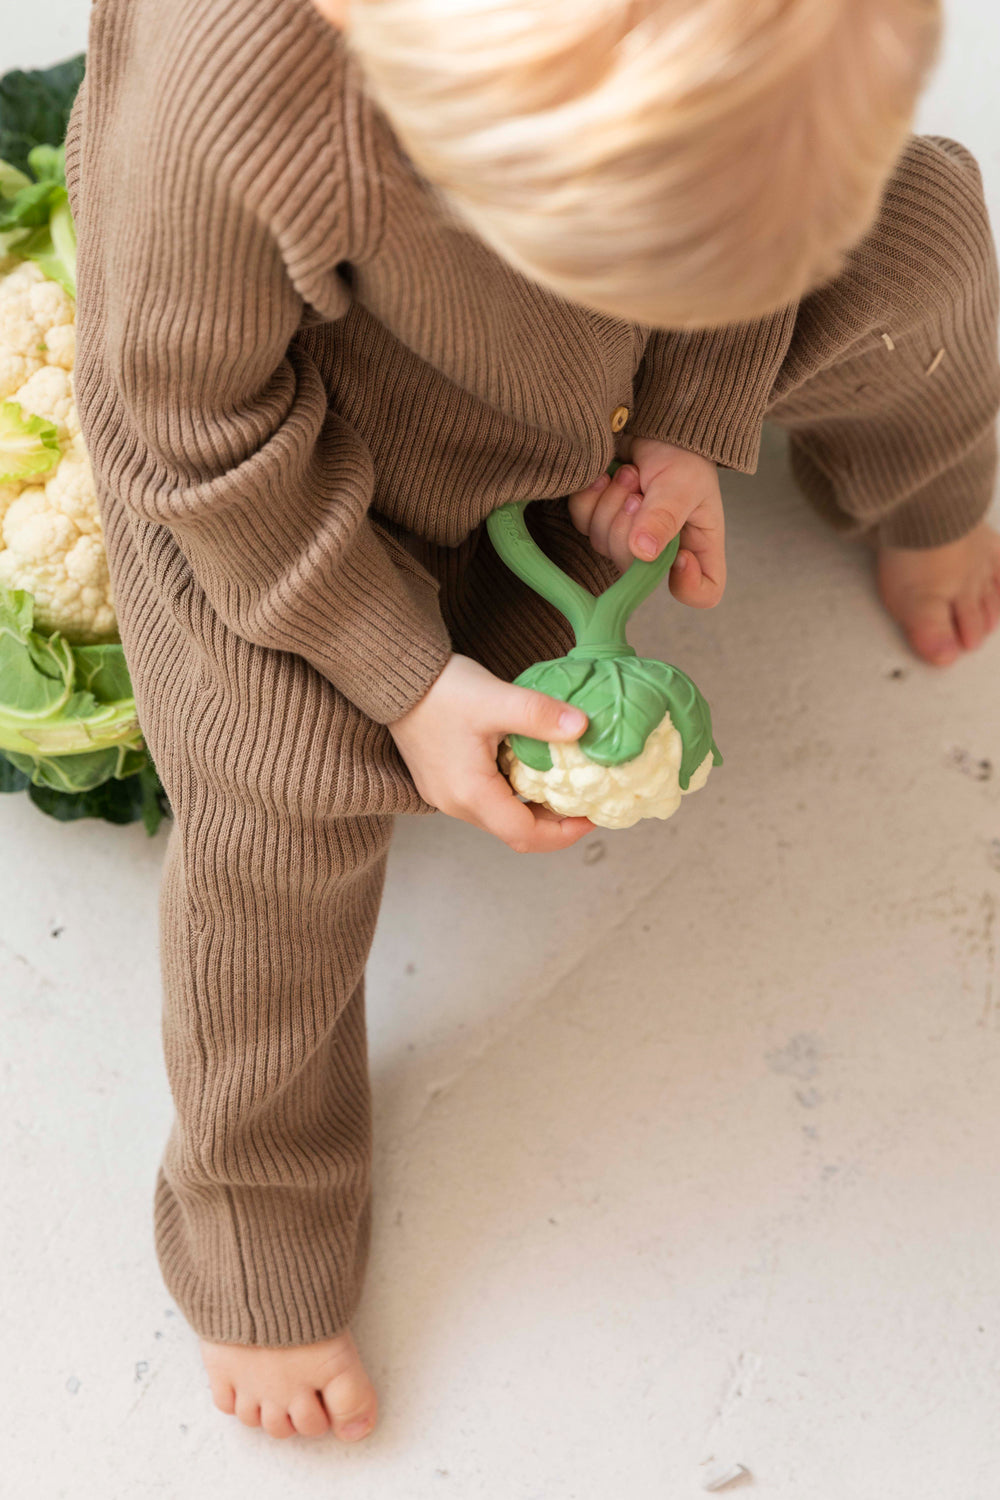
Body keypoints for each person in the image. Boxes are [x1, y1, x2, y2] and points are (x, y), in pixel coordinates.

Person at [64, 0, 999, 1443]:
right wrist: (405, 676)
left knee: (923, 239)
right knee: (272, 817)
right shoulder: (243, 87)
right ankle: (259, 1220)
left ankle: (919, 482)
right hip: (296, 480)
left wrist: (690, 402)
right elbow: (202, 434)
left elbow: (775, 196)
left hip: (599, 397)